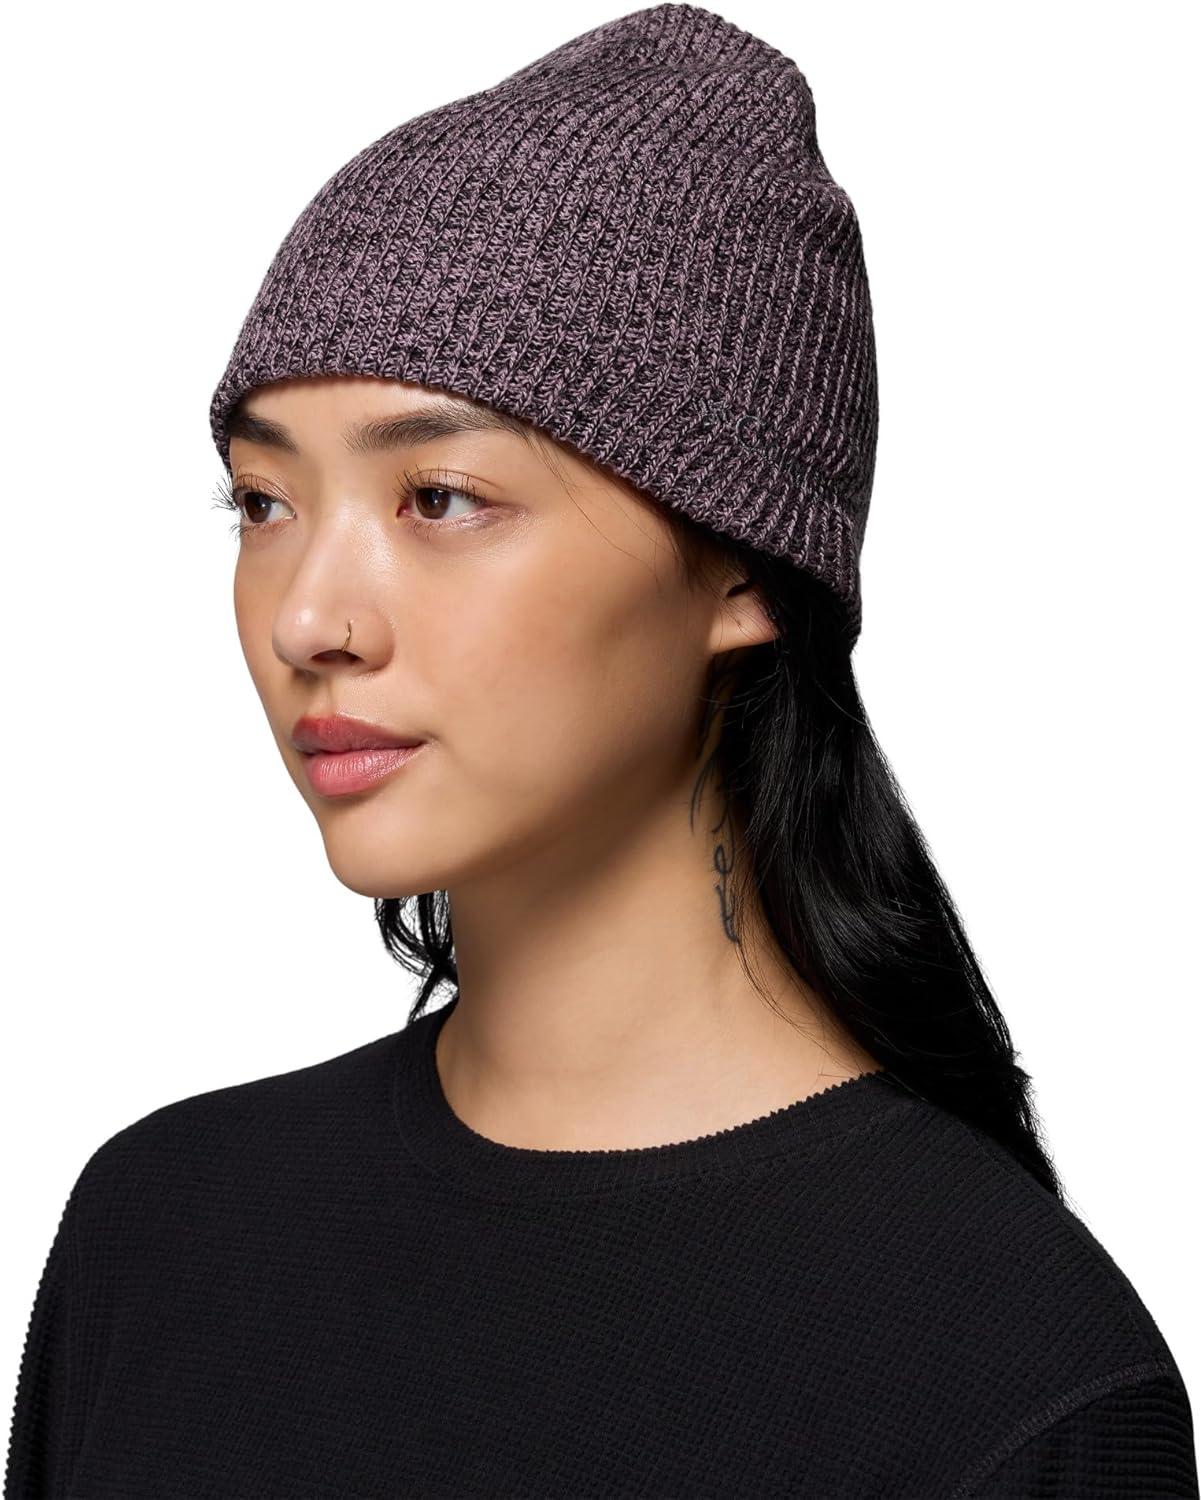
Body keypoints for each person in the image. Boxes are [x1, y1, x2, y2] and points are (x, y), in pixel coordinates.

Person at [6, 4, 1197, 1497]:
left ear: (743, 569)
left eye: (441, 498)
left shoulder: (1017, 1377)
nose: (308, 616)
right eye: (262, 502)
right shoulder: (159, 1236)